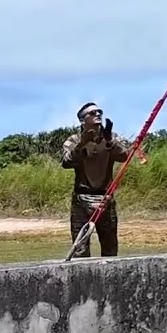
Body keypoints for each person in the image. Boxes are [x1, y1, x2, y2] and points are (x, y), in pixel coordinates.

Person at [60, 102, 131, 258]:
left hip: (105, 199)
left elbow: (125, 156)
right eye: (92, 113)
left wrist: (110, 142)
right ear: (82, 120)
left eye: (99, 111)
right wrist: (82, 144)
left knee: (110, 247)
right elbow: (66, 162)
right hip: (81, 200)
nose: (98, 114)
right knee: (80, 248)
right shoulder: (73, 140)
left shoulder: (110, 137)